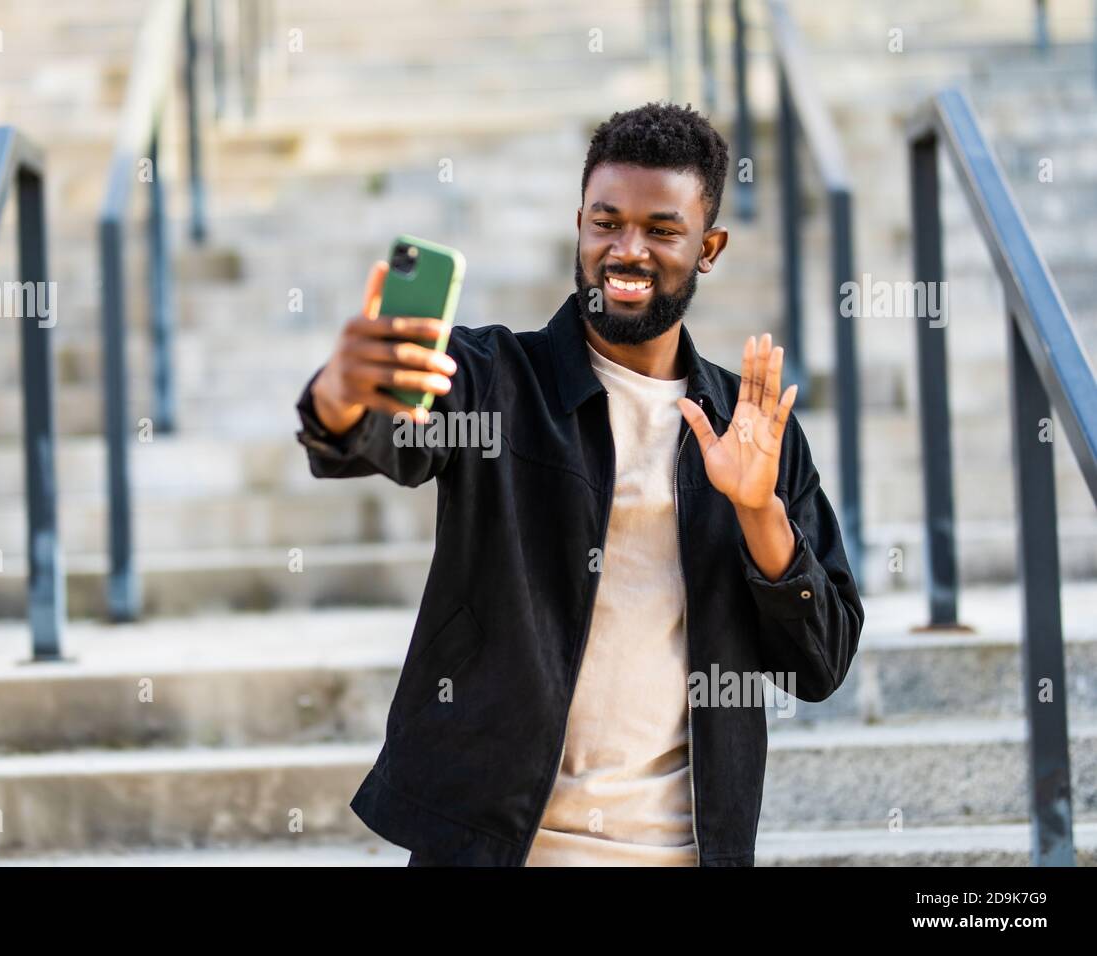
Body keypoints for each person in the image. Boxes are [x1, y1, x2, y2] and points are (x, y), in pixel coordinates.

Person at [295, 102, 864, 866]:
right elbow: (386, 435)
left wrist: (759, 512)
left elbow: (820, 664)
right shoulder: (495, 378)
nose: (627, 250)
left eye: (662, 230)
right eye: (606, 222)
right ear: (579, 224)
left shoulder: (752, 427)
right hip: (504, 850)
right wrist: (341, 394)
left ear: (709, 247)